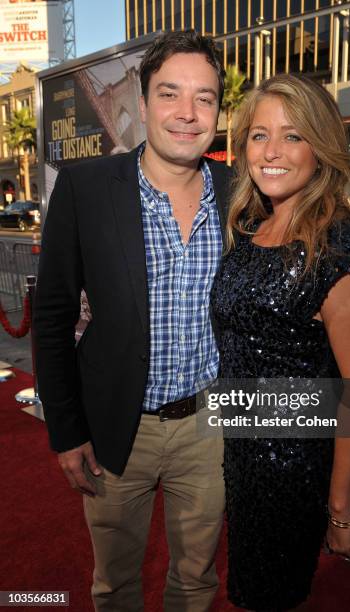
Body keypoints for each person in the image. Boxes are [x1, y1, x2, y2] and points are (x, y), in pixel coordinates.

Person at [33, 30, 232, 612]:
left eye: (206, 98)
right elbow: (51, 317)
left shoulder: (239, 190)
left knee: (197, 581)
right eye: (171, 94)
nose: (188, 114)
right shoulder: (86, 188)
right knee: (115, 584)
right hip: (118, 428)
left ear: (220, 110)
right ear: (142, 104)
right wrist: (66, 432)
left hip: (209, 427)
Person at [210, 74, 350, 611]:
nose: (272, 152)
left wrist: (339, 512)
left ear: (322, 146)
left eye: (292, 135)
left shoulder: (338, 249)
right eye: (259, 135)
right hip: (242, 458)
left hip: (290, 471)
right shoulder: (252, 227)